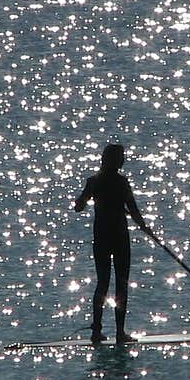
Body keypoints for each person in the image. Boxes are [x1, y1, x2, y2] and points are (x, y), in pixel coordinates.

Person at [74, 143, 149, 344]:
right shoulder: (121, 182)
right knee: (121, 285)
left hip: (101, 238)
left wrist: (87, 198)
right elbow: (133, 210)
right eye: (121, 157)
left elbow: (78, 208)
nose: (123, 160)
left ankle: (96, 331)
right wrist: (144, 227)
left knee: (102, 283)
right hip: (119, 238)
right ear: (115, 160)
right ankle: (120, 333)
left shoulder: (93, 182)